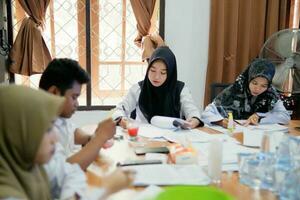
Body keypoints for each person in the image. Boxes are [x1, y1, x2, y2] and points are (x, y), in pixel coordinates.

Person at [39, 58, 116, 170]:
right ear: (54, 92)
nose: (77, 104)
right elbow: (62, 170)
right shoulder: (37, 124)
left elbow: (71, 131)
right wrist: (99, 139)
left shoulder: (56, 115)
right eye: (74, 97)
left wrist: (90, 138)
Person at [113, 46, 203, 129]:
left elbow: (192, 110)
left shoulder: (180, 89)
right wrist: (122, 119)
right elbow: (119, 109)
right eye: (152, 70)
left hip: (173, 140)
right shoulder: (139, 88)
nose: (156, 77)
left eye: (163, 73)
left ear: (170, 73)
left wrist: (194, 119)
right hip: (143, 139)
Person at [0, 85, 63, 199]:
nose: (56, 138)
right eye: (48, 129)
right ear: (17, 134)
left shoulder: (32, 169)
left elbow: (70, 174)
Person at [201, 58, 290, 127]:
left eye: (263, 86)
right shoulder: (234, 90)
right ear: (248, 79)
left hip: (258, 136)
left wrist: (259, 116)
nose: (257, 89)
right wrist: (220, 121)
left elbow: (285, 117)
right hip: (231, 135)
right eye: (254, 83)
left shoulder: (271, 94)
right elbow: (206, 113)